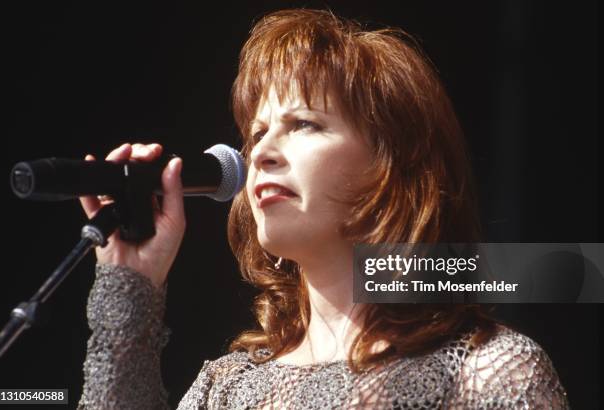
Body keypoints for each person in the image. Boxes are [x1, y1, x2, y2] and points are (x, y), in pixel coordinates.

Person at [77, 9, 569, 409]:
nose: (263, 152)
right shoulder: (225, 388)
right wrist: (131, 288)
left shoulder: (485, 372)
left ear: (391, 164)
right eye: (257, 133)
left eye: (305, 124)